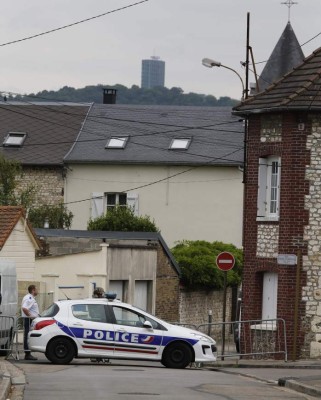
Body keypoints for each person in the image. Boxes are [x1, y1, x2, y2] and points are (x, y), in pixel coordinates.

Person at [21, 284, 39, 360]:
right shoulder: (30, 298)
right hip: (29, 320)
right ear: (33, 290)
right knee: (28, 336)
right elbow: (24, 308)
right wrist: (31, 317)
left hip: (29, 319)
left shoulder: (30, 297)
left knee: (27, 335)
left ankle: (28, 353)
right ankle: (27, 354)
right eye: (36, 289)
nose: (38, 291)